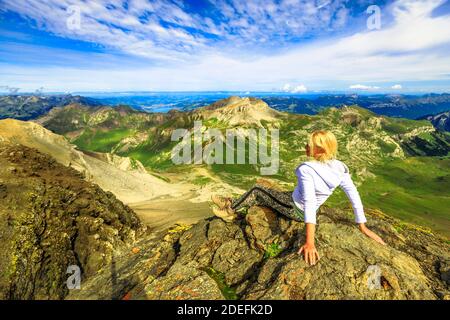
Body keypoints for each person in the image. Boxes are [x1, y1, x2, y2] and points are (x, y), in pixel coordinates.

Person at [211, 130, 386, 266]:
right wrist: (362, 226)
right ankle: (235, 203)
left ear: (319, 149)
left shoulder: (307, 169)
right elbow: (353, 195)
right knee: (269, 194)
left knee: (257, 189)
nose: (305, 146)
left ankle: (230, 210)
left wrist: (310, 241)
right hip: (303, 204)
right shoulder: (340, 168)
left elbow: (309, 202)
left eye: (308, 144)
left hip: (296, 209)